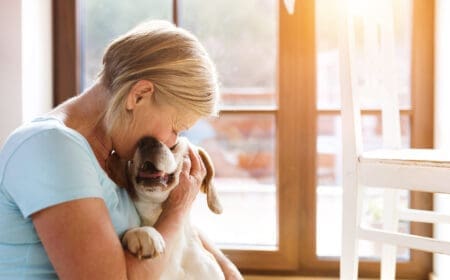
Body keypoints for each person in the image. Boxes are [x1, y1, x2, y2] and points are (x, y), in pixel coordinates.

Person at [0, 20, 243, 279]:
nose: (173, 142)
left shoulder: (115, 156)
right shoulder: (51, 147)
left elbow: (163, 225)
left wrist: (227, 269)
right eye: (176, 127)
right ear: (138, 95)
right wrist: (178, 208)